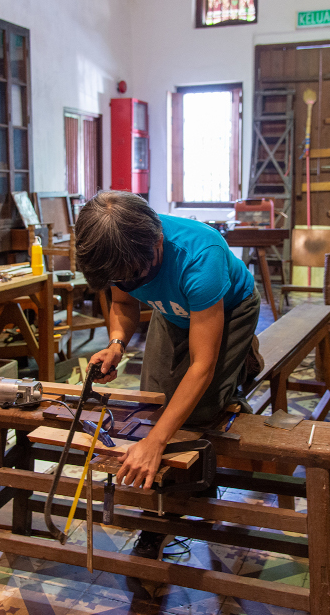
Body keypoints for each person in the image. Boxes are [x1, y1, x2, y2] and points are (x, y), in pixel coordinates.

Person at [74, 191, 261, 559]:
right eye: (119, 277)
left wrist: (156, 443)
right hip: (172, 307)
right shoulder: (118, 247)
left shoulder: (200, 258)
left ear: (157, 243)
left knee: (200, 410)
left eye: (133, 275)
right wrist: (116, 343)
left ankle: (237, 371)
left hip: (228, 308)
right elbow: (124, 303)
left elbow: (201, 366)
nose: (125, 281)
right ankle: (155, 514)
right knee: (155, 401)